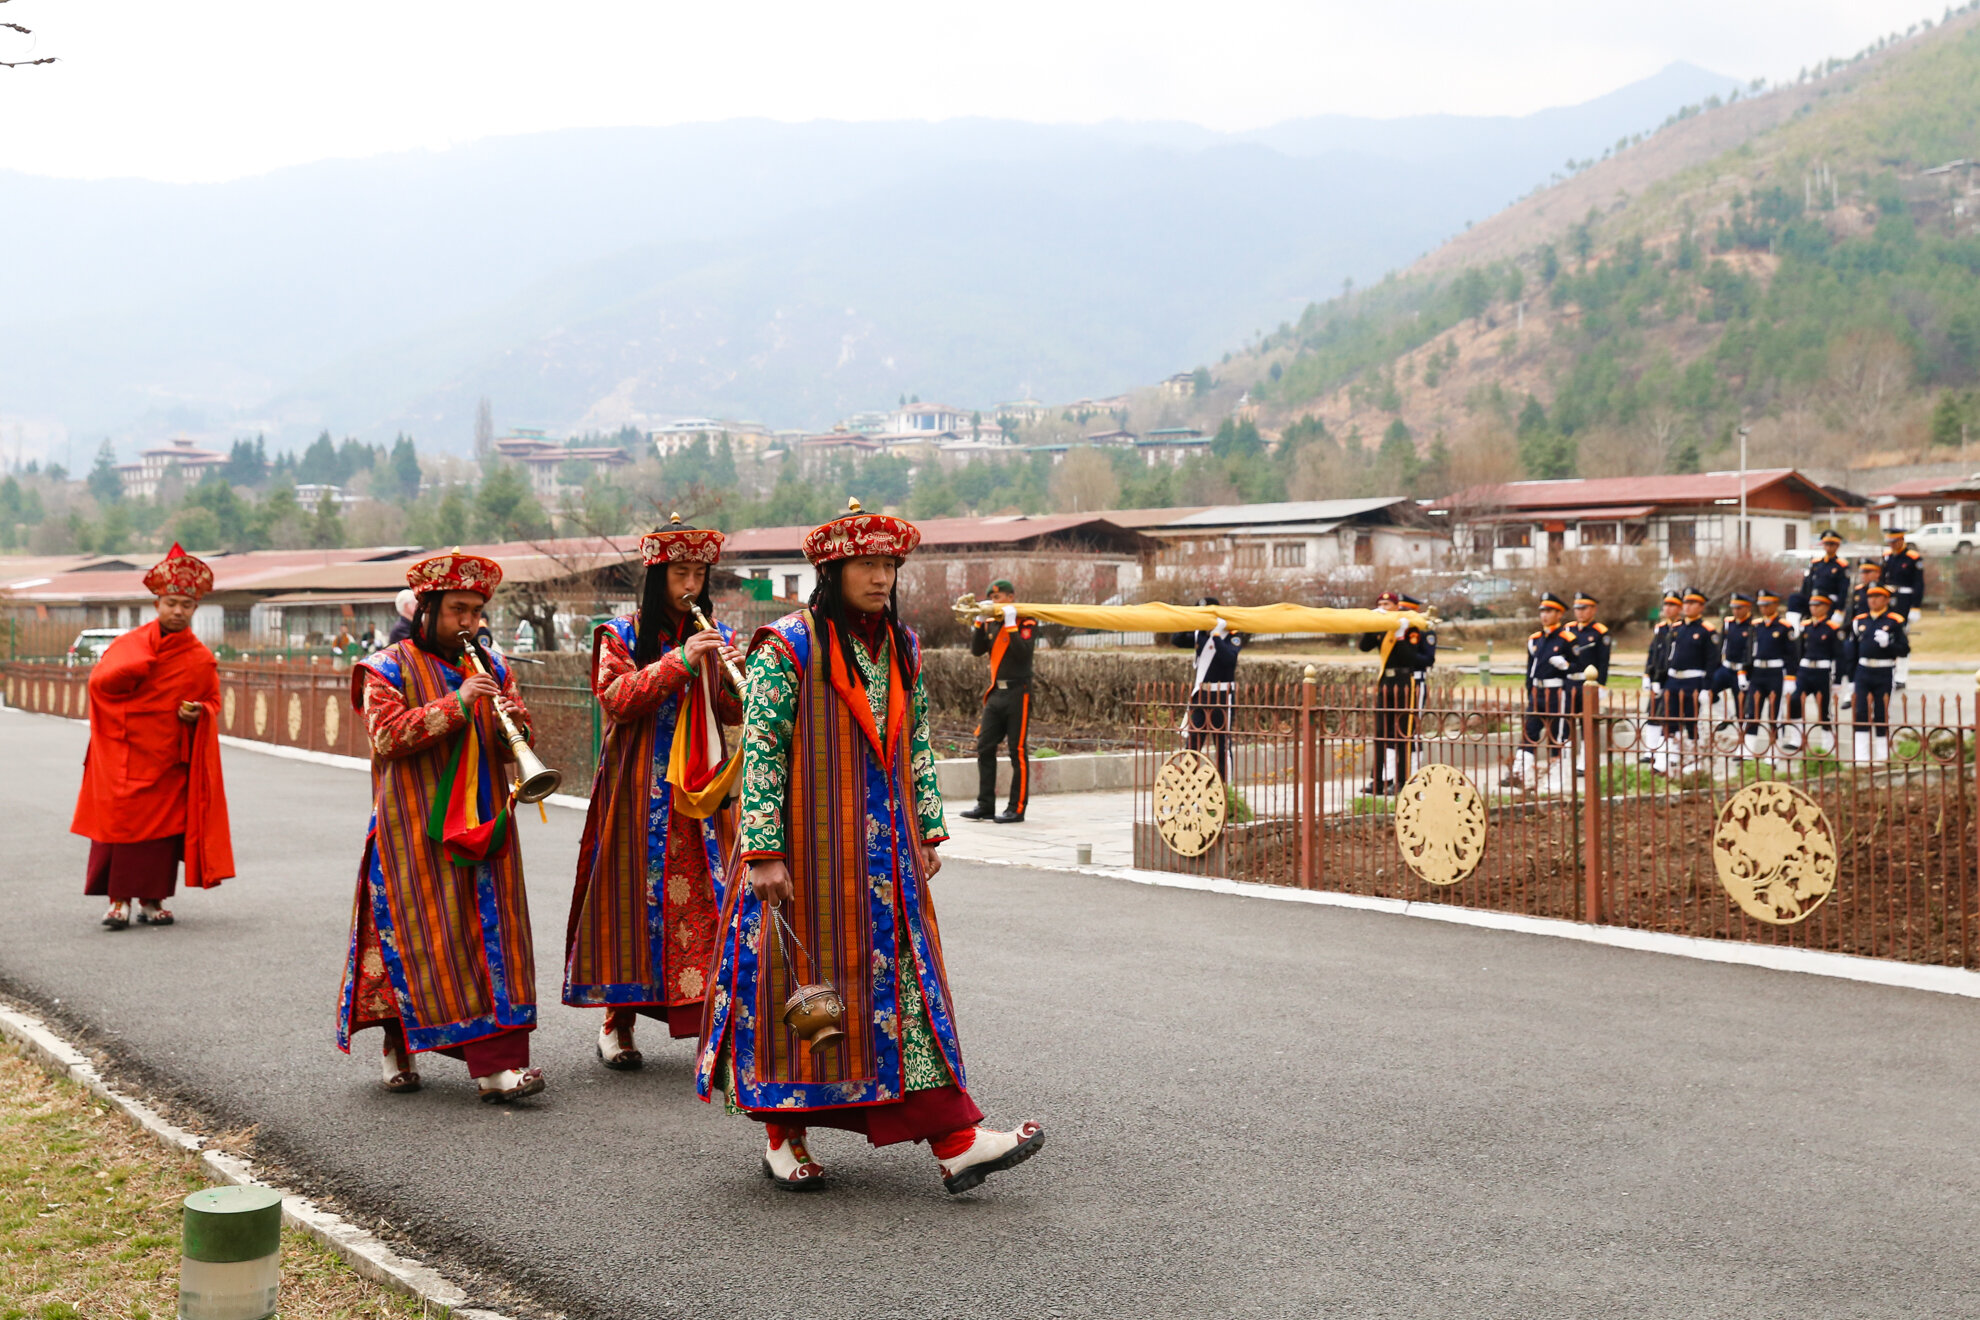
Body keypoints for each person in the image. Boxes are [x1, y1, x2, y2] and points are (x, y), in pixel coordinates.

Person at [695, 499, 1044, 1195]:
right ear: (832, 569)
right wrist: (762, 849)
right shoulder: (786, 646)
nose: (881, 577)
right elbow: (761, 751)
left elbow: (913, 741)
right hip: (805, 858)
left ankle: (956, 1140)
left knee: (908, 996)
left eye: (890, 564)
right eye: (867, 563)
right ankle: (782, 1135)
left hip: (884, 859)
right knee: (790, 990)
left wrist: (927, 830)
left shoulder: (901, 646)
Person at [335, 550, 547, 1103]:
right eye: (457, 609)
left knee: (495, 937)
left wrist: (513, 720)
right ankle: (399, 1041)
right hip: (413, 830)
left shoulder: (494, 666)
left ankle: (497, 1066)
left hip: (488, 823)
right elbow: (387, 735)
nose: (469, 623)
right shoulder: (384, 667)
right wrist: (457, 704)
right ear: (427, 609)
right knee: (422, 938)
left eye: (476, 612)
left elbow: (513, 742)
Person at [566, 517, 744, 1071]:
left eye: (699, 572)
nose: (690, 583)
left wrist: (739, 677)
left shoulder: (720, 634)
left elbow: (732, 712)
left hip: (704, 792)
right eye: (679, 573)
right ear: (656, 577)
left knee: (714, 904)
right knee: (629, 906)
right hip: (637, 793)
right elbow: (616, 699)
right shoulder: (619, 635)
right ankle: (615, 1022)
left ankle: (710, 1028)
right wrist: (679, 662)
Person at [71, 544, 234, 929]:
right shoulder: (129, 646)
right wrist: (129, 670)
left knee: (161, 834)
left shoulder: (199, 657)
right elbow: (99, 687)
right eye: (171, 602)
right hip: (121, 753)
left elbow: (211, 700)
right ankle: (117, 902)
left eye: (186, 605)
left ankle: (152, 900)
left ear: (195, 609)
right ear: (157, 603)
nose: (178, 611)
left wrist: (199, 712)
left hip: (165, 759)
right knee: (117, 822)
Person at [959, 579, 1036, 824]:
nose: (995, 602)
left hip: (1017, 692)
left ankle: (1017, 807)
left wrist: (1012, 625)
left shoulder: (1026, 621)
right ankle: (985, 805)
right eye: (992, 599)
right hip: (996, 693)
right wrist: (979, 623)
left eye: (999, 597)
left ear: (1011, 598)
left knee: (1018, 751)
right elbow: (977, 650)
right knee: (985, 746)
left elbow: (1023, 652)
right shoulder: (992, 623)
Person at [1358, 590, 1435, 794]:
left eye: (1387, 605)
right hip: (1385, 681)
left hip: (1404, 681)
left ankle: (1402, 780)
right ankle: (1380, 779)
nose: (1383, 609)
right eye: (1380, 605)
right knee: (1382, 732)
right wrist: (1370, 625)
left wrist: (1400, 635)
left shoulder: (1408, 628)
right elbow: (1364, 647)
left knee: (1403, 732)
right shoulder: (1381, 628)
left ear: (1397, 607)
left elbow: (1411, 658)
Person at [1505, 591, 1573, 790]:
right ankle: (1519, 774)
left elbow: (1579, 668)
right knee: (1529, 732)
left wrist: (1566, 666)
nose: (1545, 615)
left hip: (1557, 692)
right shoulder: (1535, 639)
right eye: (1542, 610)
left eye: (1550, 611)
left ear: (1560, 614)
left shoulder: (1566, 639)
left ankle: (1557, 779)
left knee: (1556, 735)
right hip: (1538, 692)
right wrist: (1530, 690)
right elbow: (1530, 670)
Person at [1172, 597, 1243, 781]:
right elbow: (1176, 639)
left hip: (1222, 695)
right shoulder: (1199, 634)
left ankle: (1225, 788)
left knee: (1222, 746)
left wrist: (1217, 635)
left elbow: (1229, 659)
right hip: (1201, 695)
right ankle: (1186, 787)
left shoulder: (1232, 634)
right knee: (1192, 745)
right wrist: (1191, 621)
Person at [1842, 581, 1909, 763]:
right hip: (1863, 670)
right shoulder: (1859, 621)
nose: (1873, 600)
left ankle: (1882, 755)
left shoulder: (1894, 621)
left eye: (1877, 597)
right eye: (1870, 597)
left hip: (1884, 669)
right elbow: (1852, 652)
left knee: (1881, 712)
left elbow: (1904, 649)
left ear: (1886, 600)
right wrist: (1851, 678)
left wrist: (1890, 644)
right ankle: (1861, 756)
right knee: (1861, 711)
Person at [1655, 589, 1720, 775]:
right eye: (1685, 603)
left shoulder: (1706, 631)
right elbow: (1666, 656)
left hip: (1693, 681)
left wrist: (1707, 687)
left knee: (1692, 722)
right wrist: (1659, 679)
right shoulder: (1676, 628)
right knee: (1668, 719)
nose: (1687, 606)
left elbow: (1712, 661)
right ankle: (1664, 760)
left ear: (1701, 606)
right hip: (1673, 679)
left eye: (1692, 603)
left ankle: (1694, 760)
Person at [1742, 588, 1797, 760]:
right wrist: (1743, 672)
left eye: (1767, 605)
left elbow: (1791, 655)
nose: (1763, 608)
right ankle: (1748, 750)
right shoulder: (1755, 626)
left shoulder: (1784, 627)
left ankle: (1774, 751)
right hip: (1757, 672)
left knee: (1774, 713)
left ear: (1775, 604)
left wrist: (1790, 677)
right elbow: (1747, 650)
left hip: (1775, 671)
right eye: (1761, 605)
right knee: (1752, 712)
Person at [1561, 591, 1611, 777]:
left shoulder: (1600, 632)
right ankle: (1565, 758)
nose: (1580, 612)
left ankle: (1584, 762)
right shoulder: (1568, 629)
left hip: (1588, 683)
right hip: (1569, 681)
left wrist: (1601, 685)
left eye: (1584, 608)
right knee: (1566, 720)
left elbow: (1603, 662)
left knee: (1587, 723)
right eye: (1577, 608)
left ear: (1593, 609)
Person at [1788, 591, 1844, 754]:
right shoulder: (1805, 626)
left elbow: (1839, 656)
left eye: (1818, 605)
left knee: (1823, 709)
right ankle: (1796, 739)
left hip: (1822, 670)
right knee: (1795, 701)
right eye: (1812, 605)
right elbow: (1797, 652)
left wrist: (1838, 680)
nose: (1813, 609)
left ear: (1826, 607)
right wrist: (1794, 673)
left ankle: (1828, 744)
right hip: (1805, 670)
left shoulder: (1832, 628)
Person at [1639, 592, 1682, 767]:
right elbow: (1653, 653)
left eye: (1672, 605)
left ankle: (1673, 752)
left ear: (1679, 608)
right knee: (1653, 712)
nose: (1667, 608)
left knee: (1673, 715)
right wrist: (1647, 674)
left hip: (1671, 676)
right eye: (1665, 605)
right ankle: (1651, 749)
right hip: (1657, 676)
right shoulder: (1661, 628)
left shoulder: (1681, 628)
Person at [1880, 526, 1925, 689]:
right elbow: (1881, 580)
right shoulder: (1887, 557)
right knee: (1885, 635)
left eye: (1894, 541)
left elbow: (1918, 584)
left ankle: (1901, 675)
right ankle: (1889, 672)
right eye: (1889, 542)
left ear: (1901, 540)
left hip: (1904, 602)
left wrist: (1915, 606)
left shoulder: (1913, 558)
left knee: (1902, 638)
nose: (1891, 545)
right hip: (1887, 600)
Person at [1794, 529, 1850, 627]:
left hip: (1829, 604)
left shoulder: (1841, 566)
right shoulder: (1816, 564)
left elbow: (1843, 590)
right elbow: (1807, 585)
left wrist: (1839, 610)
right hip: (1813, 602)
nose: (1828, 547)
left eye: (1831, 544)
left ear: (1837, 546)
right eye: (1826, 544)